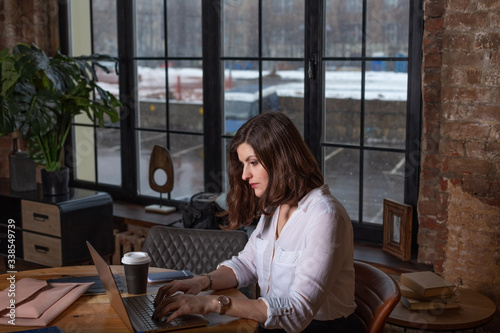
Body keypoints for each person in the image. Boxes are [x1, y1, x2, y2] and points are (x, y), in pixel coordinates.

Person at [153, 112, 361, 332]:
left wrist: (210, 303)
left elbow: (297, 312)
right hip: (271, 324)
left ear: (281, 159)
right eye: (243, 164)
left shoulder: (325, 216)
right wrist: (201, 282)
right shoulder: (276, 205)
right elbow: (247, 264)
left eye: (252, 162)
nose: (244, 175)